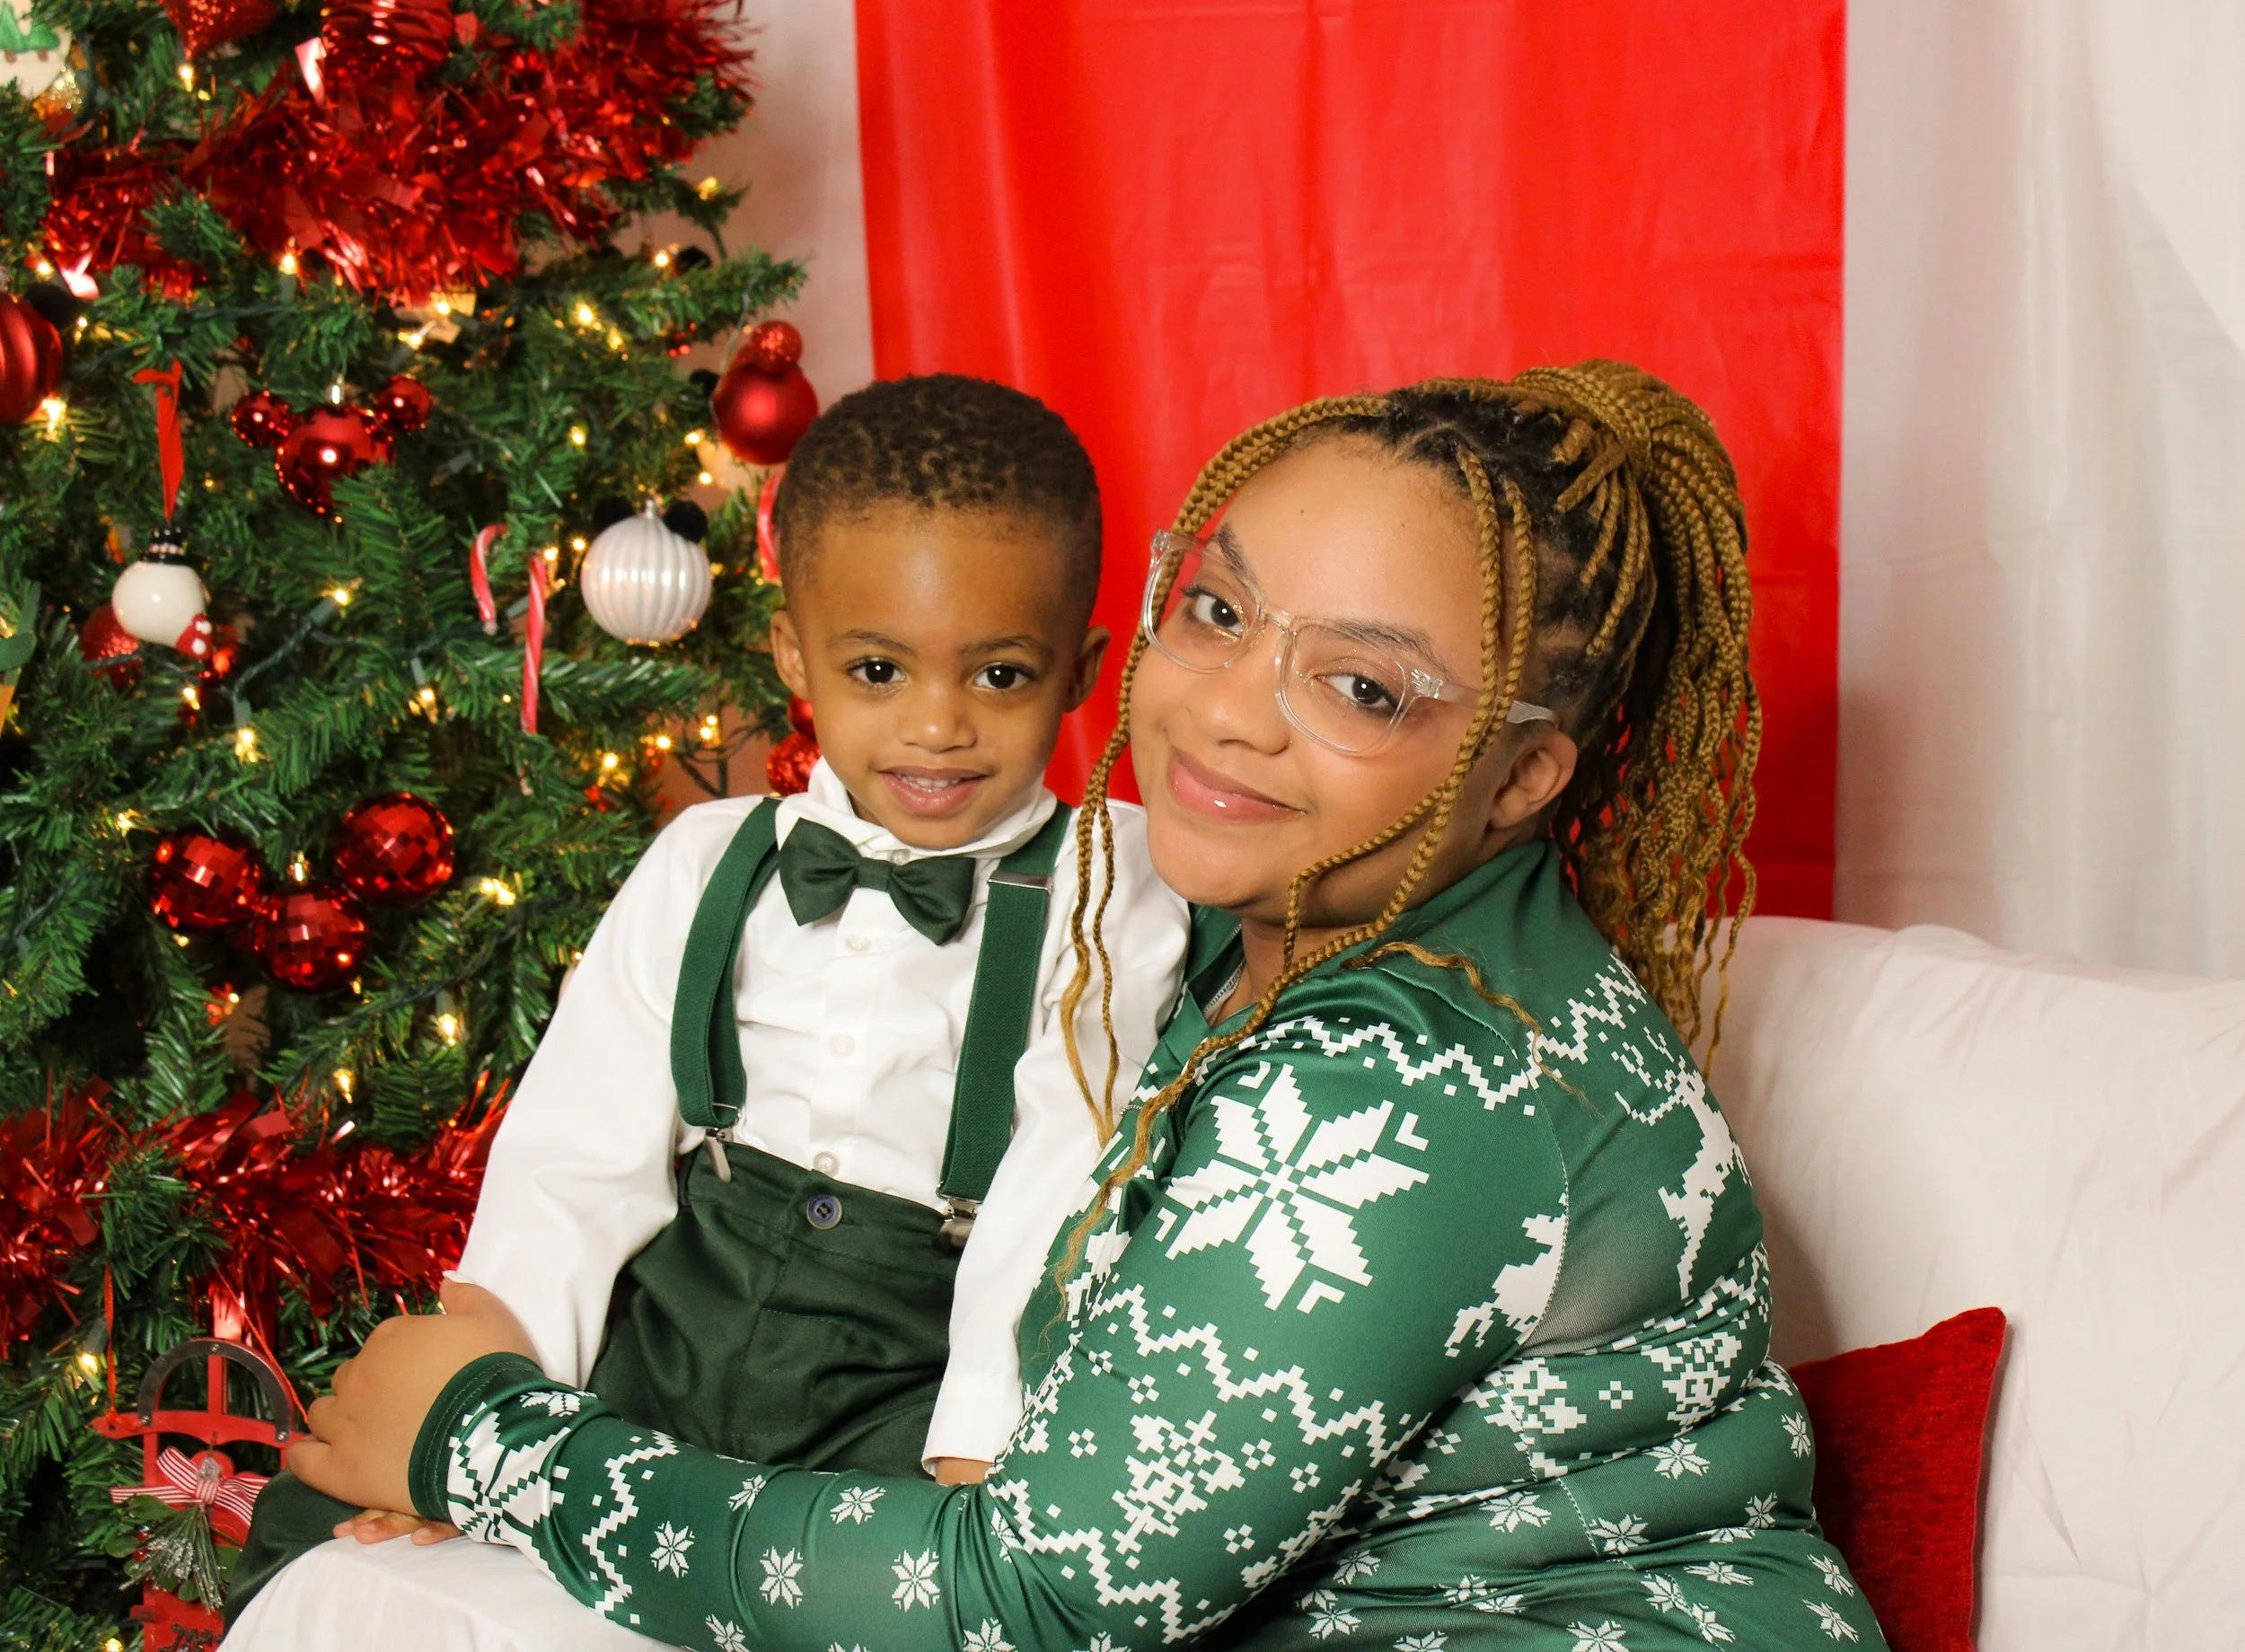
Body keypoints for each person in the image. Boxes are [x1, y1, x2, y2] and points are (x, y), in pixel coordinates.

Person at [280, 365, 1891, 1648]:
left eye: (1361, 687)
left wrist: (490, 1445)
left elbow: (1031, 1603)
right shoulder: (1229, 921)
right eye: (1220, 610)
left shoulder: (1403, 1088)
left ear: (1525, 775)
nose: (1226, 715)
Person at [224, 374, 1190, 1634]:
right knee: (342, 1543)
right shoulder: (710, 857)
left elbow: (1054, 1197)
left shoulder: (1108, 890)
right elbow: (580, 1156)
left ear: (1081, 670)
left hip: (904, 1377)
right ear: (794, 653)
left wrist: (975, 1467)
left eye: (1000, 674)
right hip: (670, 1336)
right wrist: (485, 1393)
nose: (938, 726)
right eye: (879, 669)